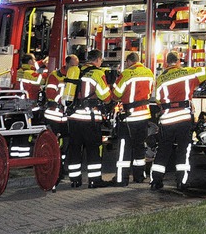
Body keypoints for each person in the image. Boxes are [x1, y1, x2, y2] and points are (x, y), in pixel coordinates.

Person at [149, 53, 206, 191]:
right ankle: (181, 182)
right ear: (178, 62)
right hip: (183, 118)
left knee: (163, 150)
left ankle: (155, 181)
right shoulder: (187, 73)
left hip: (167, 119)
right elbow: (205, 72)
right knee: (183, 150)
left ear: (166, 63)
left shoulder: (161, 78)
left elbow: (158, 99)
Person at [66, 49, 113, 188]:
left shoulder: (75, 70)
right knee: (93, 149)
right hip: (89, 119)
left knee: (75, 149)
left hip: (74, 117)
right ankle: (94, 180)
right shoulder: (98, 73)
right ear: (98, 60)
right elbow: (105, 96)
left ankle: (74, 180)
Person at [111, 52, 154, 187]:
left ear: (129, 62)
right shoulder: (149, 72)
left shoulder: (126, 74)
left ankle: (122, 178)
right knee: (140, 146)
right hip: (144, 115)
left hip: (129, 117)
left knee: (125, 148)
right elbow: (150, 90)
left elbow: (116, 94)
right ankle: (139, 176)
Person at [44, 54, 80, 174]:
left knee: (66, 144)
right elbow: (50, 93)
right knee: (53, 143)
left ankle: (61, 167)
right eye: (74, 65)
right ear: (68, 64)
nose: (76, 68)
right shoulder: (55, 75)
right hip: (54, 115)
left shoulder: (76, 76)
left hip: (66, 116)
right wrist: (63, 101)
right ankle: (53, 167)